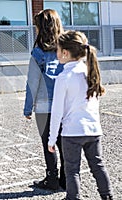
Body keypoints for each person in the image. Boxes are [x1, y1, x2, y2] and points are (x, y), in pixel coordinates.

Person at [48, 30, 113, 200]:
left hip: (72, 133)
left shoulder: (63, 77)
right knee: (98, 166)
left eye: (57, 49)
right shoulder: (91, 72)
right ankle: (108, 197)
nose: (56, 53)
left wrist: (52, 139)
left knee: (72, 170)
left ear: (65, 53)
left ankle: (73, 197)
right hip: (94, 130)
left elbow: (56, 112)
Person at [23, 9, 66, 190]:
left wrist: (27, 109)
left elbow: (32, 83)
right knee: (64, 143)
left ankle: (52, 178)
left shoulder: (38, 52)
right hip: (65, 105)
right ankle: (66, 178)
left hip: (44, 107)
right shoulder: (66, 51)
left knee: (49, 144)